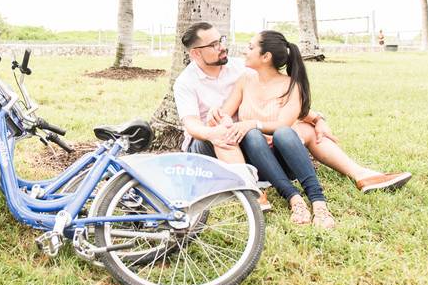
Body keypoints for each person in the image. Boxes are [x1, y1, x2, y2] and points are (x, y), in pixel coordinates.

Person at [172, 22, 411, 215]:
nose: (222, 47)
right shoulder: (186, 82)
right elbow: (191, 125)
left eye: (220, 40)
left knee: (304, 130)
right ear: (196, 53)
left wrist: (317, 119)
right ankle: (251, 192)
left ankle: (361, 175)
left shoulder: (240, 68)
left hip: (248, 138)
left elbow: (276, 97)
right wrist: (212, 130)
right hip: (210, 144)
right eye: (214, 45)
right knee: (225, 134)